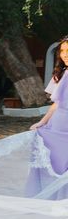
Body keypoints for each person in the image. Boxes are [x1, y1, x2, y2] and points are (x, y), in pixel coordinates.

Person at [26, 36, 68, 200]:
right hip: (58, 124)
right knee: (56, 163)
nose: (65, 54)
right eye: (63, 51)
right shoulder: (62, 74)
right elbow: (56, 104)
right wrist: (42, 122)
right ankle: (57, 199)